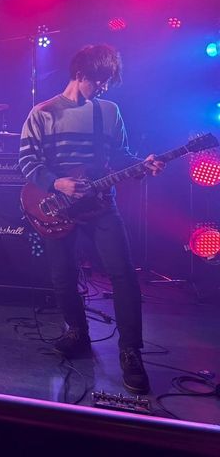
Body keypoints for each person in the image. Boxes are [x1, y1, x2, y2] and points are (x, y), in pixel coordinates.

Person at [19, 44, 164, 394]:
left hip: (101, 206)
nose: (104, 87)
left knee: (124, 275)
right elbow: (26, 162)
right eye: (100, 80)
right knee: (62, 276)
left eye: (108, 81)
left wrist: (141, 165)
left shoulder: (109, 112)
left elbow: (121, 156)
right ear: (81, 73)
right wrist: (57, 183)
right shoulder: (42, 113)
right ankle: (77, 333)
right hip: (57, 205)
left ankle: (130, 352)